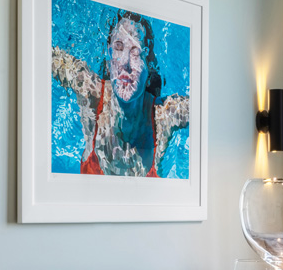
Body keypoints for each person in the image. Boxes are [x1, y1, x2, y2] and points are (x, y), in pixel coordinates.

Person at [51, 10, 188, 177]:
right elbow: (42, 52)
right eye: (118, 47)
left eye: (136, 51)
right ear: (108, 62)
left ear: (149, 66)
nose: (125, 62)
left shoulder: (164, 116)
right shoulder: (92, 93)